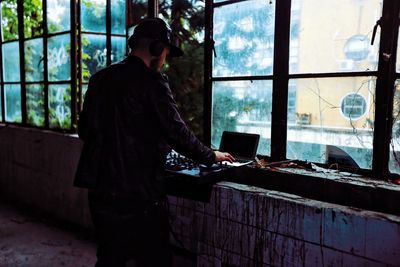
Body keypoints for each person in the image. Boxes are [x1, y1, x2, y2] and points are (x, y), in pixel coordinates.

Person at [74, 18, 234, 267]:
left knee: (109, 258)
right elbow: (176, 131)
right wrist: (211, 156)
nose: (165, 60)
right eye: (166, 53)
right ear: (157, 48)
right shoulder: (152, 81)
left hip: (101, 192)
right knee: (155, 259)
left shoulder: (99, 80)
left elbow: (85, 130)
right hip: (139, 195)